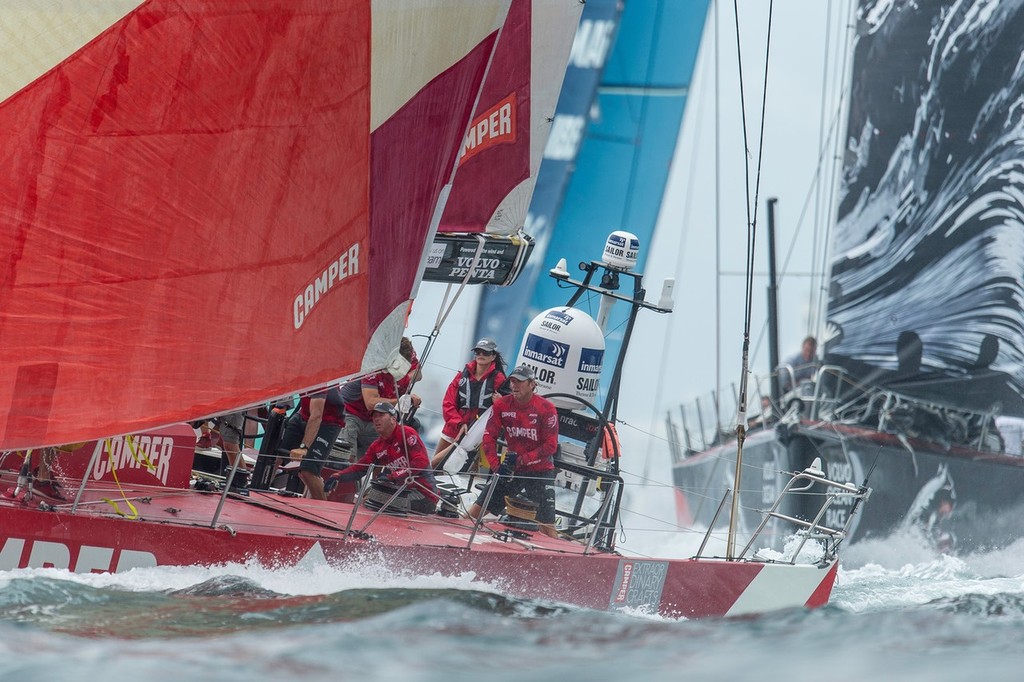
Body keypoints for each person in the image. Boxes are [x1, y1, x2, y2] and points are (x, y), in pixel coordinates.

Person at [466, 364, 560, 539]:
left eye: (520, 382)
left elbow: (551, 446)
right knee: (473, 513)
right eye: (512, 381)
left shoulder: (546, 409)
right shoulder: (502, 404)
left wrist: (523, 460)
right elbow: (488, 438)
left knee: (548, 528)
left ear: (532, 384)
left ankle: (562, 561)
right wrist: (496, 467)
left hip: (539, 472)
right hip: (511, 469)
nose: (515, 386)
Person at [325, 402, 438, 512]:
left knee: (377, 502)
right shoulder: (377, 446)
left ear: (393, 419)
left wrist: (392, 477)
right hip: (397, 492)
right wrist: (338, 476)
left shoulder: (407, 433)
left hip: (423, 494)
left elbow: (421, 462)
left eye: (381, 415)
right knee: (369, 501)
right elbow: (360, 468)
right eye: (374, 416)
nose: (376, 419)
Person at [430, 337, 508, 469]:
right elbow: (448, 403)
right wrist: (459, 423)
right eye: (478, 352)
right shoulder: (461, 376)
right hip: (453, 428)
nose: (481, 355)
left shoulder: (499, 379)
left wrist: (501, 402)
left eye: (486, 352)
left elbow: (508, 410)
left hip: (474, 436)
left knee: (457, 470)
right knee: (434, 467)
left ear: (493, 356)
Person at [340, 338, 421, 461]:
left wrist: (405, 381)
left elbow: (418, 373)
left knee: (381, 457)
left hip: (373, 419)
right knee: (348, 458)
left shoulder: (405, 362)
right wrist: (401, 400)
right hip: (350, 413)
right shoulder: (373, 364)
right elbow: (371, 402)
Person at [277, 385, 346, 500]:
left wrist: (304, 447)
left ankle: (320, 509)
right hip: (304, 413)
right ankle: (259, 487)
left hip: (329, 422)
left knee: (308, 471)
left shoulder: (321, 378)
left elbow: (317, 416)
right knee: (275, 455)